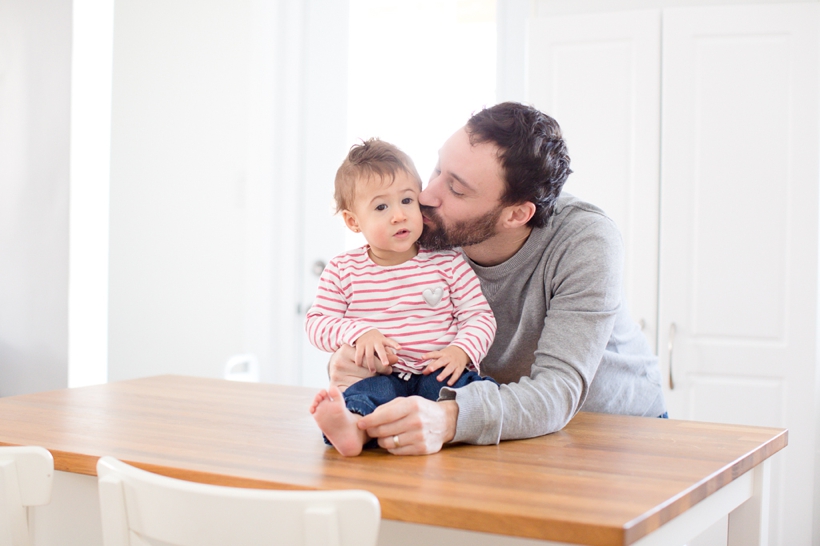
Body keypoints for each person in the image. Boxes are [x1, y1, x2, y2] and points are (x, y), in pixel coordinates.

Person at [328, 102, 667, 455]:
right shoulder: (427, 231)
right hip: (502, 427)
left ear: (517, 214)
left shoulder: (585, 240)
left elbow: (558, 390)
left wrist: (448, 419)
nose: (426, 196)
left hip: (616, 436)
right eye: (438, 168)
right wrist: (356, 361)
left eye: (456, 189)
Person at [306, 138, 497, 456]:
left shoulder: (446, 261)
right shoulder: (343, 269)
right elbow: (317, 323)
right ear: (354, 221)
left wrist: (461, 350)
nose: (399, 215)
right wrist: (358, 332)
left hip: (437, 370)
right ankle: (351, 429)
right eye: (381, 207)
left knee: (474, 391)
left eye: (407, 201)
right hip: (382, 373)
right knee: (364, 396)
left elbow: (479, 315)